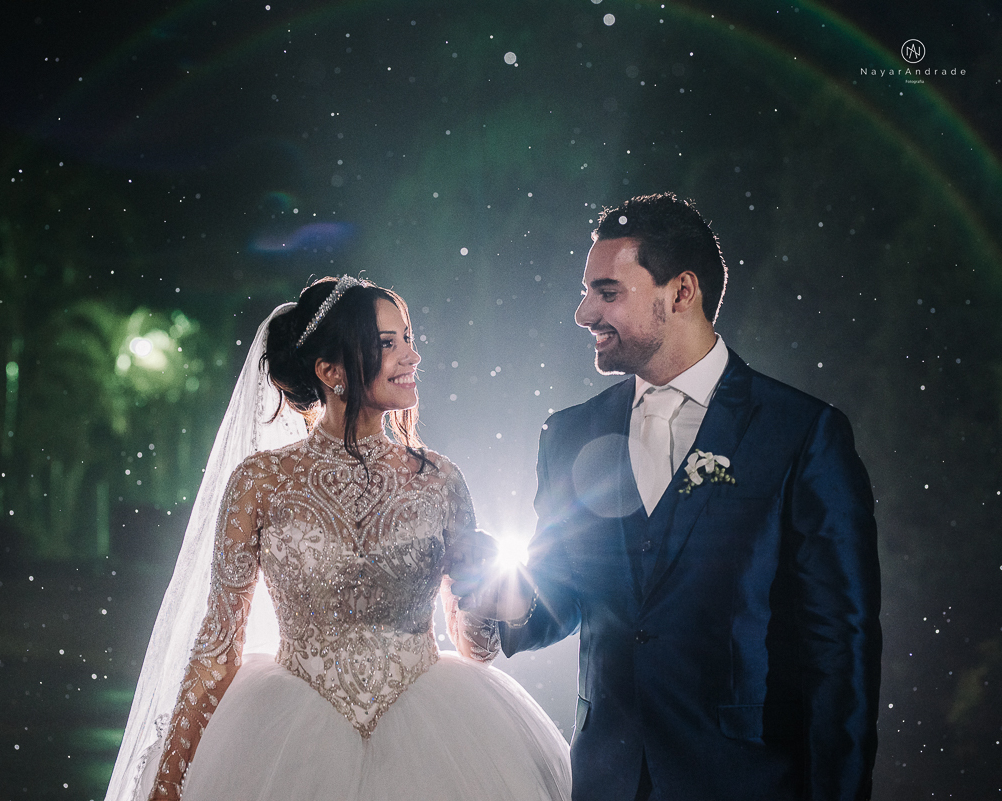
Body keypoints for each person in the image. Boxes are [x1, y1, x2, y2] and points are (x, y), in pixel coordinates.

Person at [453, 194, 881, 801]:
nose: (583, 313)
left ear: (681, 292)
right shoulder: (569, 434)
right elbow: (561, 600)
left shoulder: (799, 434)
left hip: (747, 781)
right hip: (608, 780)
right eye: (586, 292)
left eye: (607, 292)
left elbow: (839, 647)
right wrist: (508, 598)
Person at [104, 276, 571, 801]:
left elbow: (475, 648)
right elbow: (218, 645)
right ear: (331, 372)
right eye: (388, 343)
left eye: (409, 338)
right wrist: (168, 782)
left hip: (433, 738)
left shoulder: (441, 480)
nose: (412, 356)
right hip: (284, 737)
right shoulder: (261, 482)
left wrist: (486, 595)